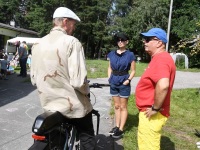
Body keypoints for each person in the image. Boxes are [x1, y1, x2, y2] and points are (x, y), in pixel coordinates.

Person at [30, 7, 95, 150]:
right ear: (65, 22)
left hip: (49, 106)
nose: (74, 28)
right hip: (72, 107)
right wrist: (86, 90)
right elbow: (78, 82)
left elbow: (34, 79)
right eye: (74, 24)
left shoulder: (37, 44)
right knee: (88, 137)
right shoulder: (72, 42)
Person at [135, 28, 176, 150]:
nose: (144, 42)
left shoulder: (161, 59)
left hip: (152, 114)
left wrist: (155, 108)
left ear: (159, 43)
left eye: (148, 39)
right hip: (150, 112)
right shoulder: (160, 58)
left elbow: (163, 85)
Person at [107, 32, 136, 138]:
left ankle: (121, 129)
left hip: (124, 82)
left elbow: (133, 71)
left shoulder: (130, 55)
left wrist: (128, 80)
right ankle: (116, 126)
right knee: (116, 106)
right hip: (113, 81)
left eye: (122, 40)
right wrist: (110, 78)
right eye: (118, 40)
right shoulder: (111, 54)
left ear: (126, 42)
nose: (120, 42)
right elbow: (109, 67)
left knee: (123, 106)